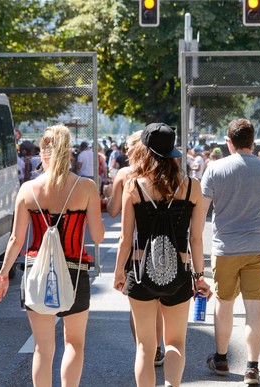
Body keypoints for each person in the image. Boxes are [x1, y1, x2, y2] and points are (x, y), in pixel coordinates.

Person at [0, 124, 104, 387]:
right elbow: (98, 237)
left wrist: (3, 274)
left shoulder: (28, 190)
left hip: (36, 270)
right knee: (74, 343)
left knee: (42, 348)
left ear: (43, 151)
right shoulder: (86, 187)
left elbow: (16, 240)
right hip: (75, 270)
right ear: (69, 152)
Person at [113, 123, 211, 387]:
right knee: (176, 342)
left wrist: (119, 272)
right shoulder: (193, 187)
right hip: (180, 273)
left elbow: (125, 238)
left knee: (145, 346)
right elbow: (196, 239)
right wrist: (199, 277)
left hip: (140, 271)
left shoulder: (134, 186)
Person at [200, 118, 260, 385]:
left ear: (229, 143)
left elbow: (201, 211)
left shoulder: (214, 169)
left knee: (224, 303)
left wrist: (196, 244)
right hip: (258, 248)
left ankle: (221, 358)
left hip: (225, 248)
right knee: (255, 307)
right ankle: (252, 367)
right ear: (253, 142)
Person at [107, 130, 166, 367]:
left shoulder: (125, 174)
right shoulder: (163, 173)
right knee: (159, 302)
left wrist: (111, 193)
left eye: (128, 147)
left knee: (138, 305)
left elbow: (112, 211)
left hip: (136, 246)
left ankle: (144, 348)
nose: (125, 152)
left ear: (137, 148)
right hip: (163, 244)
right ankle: (157, 348)